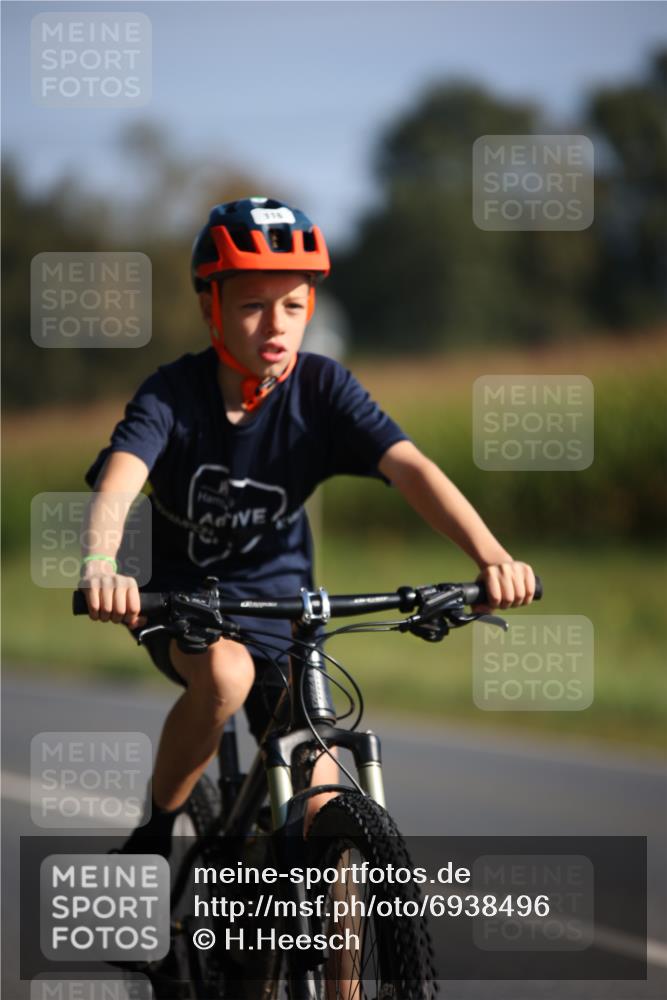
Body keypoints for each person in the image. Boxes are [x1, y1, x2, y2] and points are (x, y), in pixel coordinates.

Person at [80, 196, 536, 855]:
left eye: (292, 306)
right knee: (227, 676)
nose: (276, 324)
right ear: (211, 308)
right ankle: (154, 832)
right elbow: (120, 477)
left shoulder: (322, 389)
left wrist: (492, 555)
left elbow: (411, 469)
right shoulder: (172, 394)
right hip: (181, 596)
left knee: (323, 809)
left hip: (283, 602)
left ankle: (336, 958)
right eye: (250, 305)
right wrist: (102, 564)